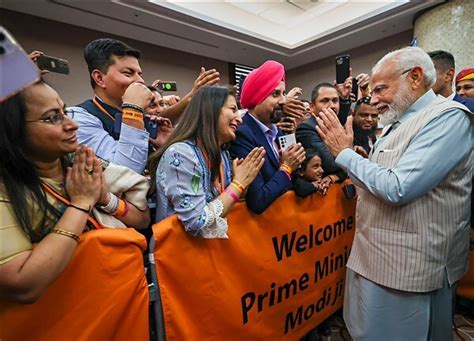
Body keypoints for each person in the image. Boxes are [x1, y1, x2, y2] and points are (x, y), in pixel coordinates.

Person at [316, 46, 472, 340]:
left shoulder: (447, 118)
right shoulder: (395, 124)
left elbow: (399, 187)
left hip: (409, 271)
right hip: (376, 259)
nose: (373, 100)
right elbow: (380, 180)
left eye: (380, 89)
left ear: (415, 77)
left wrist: (345, 154)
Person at [0, 81, 150, 303]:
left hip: (117, 305)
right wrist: (81, 203)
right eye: (53, 117)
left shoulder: (82, 162)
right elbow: (22, 284)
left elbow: (142, 219)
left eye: (64, 111)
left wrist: (106, 199)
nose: (72, 125)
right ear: (12, 129)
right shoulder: (6, 186)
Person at [150, 86, 265, 238]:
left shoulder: (222, 154)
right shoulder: (181, 153)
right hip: (176, 253)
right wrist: (238, 184)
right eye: (233, 109)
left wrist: (242, 185)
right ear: (210, 111)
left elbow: (223, 202)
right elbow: (197, 222)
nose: (239, 119)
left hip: (207, 253)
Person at [230, 60, 306, 214]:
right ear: (257, 97)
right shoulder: (243, 134)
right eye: (275, 94)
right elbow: (258, 200)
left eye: (283, 93)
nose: (284, 100)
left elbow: (297, 175)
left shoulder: (280, 129)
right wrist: (286, 167)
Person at [296, 82, 350, 186]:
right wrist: (350, 155)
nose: (332, 106)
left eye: (335, 100)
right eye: (325, 101)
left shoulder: (338, 127)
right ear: (312, 106)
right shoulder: (306, 129)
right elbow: (331, 165)